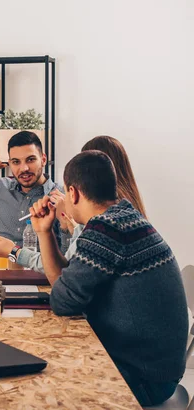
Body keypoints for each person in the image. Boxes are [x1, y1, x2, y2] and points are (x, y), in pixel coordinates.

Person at [30, 150, 187, 407]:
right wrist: (44, 232)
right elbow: (68, 283)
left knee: (46, 382)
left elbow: (61, 301)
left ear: (73, 193)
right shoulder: (125, 217)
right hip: (158, 371)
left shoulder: (105, 229)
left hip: (143, 379)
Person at [0, 135, 146, 272]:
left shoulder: (105, 224)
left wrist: (14, 252)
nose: (24, 168)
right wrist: (68, 224)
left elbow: (67, 272)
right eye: (16, 162)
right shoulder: (128, 214)